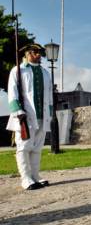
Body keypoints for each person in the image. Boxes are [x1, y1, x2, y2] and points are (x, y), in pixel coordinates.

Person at [6, 44, 52, 190]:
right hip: (24, 116)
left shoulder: (45, 73)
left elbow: (49, 95)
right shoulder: (18, 70)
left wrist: (49, 113)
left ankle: (35, 175)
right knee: (24, 147)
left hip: (42, 115)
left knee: (37, 148)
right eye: (35, 52)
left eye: (40, 52)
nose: (39, 55)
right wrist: (18, 111)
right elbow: (12, 92)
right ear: (27, 54)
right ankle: (26, 178)